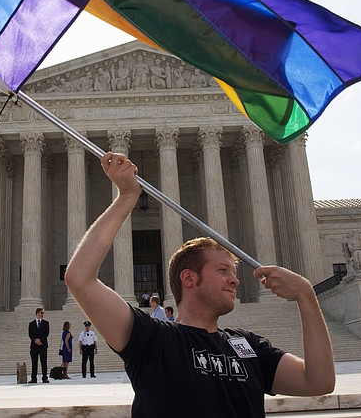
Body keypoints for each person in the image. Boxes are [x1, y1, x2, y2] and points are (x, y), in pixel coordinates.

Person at [64, 152, 335, 417]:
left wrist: (305, 295)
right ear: (189, 278)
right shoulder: (152, 340)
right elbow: (80, 278)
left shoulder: (248, 345)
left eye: (233, 271)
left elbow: (318, 382)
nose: (235, 279)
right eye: (222, 270)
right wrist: (126, 197)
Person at [28, 307, 50, 383]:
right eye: (41, 313)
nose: (42, 314)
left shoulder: (46, 323)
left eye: (43, 313)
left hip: (43, 345)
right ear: (37, 313)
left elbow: (46, 333)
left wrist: (40, 340)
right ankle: (33, 378)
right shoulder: (31, 324)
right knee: (34, 362)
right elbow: (30, 334)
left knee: (44, 362)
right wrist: (35, 340)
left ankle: (45, 377)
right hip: (34, 346)